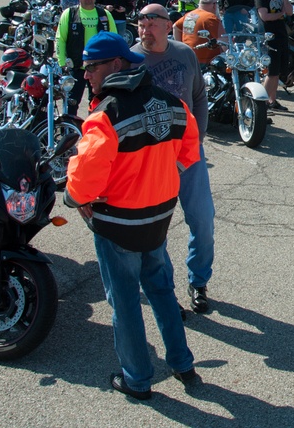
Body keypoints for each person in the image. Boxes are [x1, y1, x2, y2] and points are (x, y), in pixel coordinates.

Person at [64, 31, 201, 401]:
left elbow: (82, 181)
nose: (86, 75)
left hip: (118, 223)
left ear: (116, 65)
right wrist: (155, 172)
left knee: (124, 302)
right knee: (161, 291)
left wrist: (76, 197)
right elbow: (190, 150)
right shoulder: (172, 103)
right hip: (158, 218)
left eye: (91, 67)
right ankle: (182, 363)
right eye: (85, 68)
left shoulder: (105, 114)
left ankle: (138, 378)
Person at [131, 4, 215, 314]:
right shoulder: (130, 59)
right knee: (155, 231)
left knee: (203, 221)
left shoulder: (184, 54)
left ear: (169, 26)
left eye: (152, 22)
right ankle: (164, 292)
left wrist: (199, 136)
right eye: (141, 22)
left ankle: (199, 280)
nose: (145, 28)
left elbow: (199, 96)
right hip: (151, 158)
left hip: (189, 152)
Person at [56, 0, 117, 116]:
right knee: (72, 101)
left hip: (99, 67)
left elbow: (114, 40)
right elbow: (60, 39)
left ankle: (94, 129)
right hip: (76, 66)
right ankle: (70, 131)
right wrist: (62, 63)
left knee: (98, 101)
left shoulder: (105, 15)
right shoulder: (69, 14)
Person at [256, 0, 294, 110]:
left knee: (277, 72)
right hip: (269, 37)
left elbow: (290, 12)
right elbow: (264, 16)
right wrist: (281, 14)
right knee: (271, 72)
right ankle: (262, 104)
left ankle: (272, 101)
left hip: (282, 35)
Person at [173, 0, 224, 65]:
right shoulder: (211, 18)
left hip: (188, 58)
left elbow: (175, 27)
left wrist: (181, 48)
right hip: (207, 61)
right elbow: (223, 40)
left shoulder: (190, 15)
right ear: (214, 5)